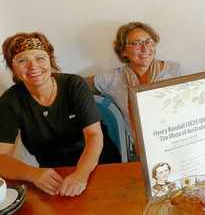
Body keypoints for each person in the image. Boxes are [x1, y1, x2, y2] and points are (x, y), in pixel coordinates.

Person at [0, 32, 104, 197]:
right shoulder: (9, 101)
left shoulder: (74, 85)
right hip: (52, 176)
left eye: (40, 58)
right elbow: (1, 158)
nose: (33, 67)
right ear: (13, 68)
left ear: (50, 60)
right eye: (22, 60)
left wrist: (80, 175)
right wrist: (32, 173)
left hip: (99, 167)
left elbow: (94, 136)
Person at [87, 22, 181, 159]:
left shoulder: (174, 71)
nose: (145, 48)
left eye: (149, 42)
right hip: (139, 154)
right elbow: (78, 86)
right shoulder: (113, 78)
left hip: (176, 145)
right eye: (137, 43)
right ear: (123, 51)